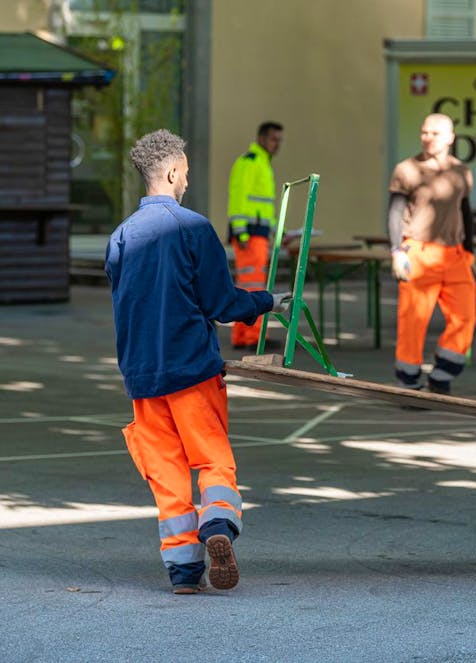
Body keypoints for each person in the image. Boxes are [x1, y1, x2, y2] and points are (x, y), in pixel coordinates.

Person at [105, 129, 289, 594]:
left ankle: (184, 573)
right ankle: (219, 528)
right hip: (191, 368)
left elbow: (125, 302)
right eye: (185, 170)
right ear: (171, 171)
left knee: (166, 476)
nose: (187, 178)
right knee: (212, 460)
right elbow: (222, 302)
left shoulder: (121, 236)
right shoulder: (192, 228)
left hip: (142, 374)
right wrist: (269, 302)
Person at [387, 113, 476, 395]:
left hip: (455, 254)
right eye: (424, 132)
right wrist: (396, 251)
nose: (428, 137)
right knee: (412, 323)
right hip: (418, 252)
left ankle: (441, 375)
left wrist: (470, 252)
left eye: (435, 133)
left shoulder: (461, 171)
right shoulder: (407, 169)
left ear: (450, 138)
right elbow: (395, 211)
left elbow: (466, 212)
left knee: (466, 316)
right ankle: (409, 383)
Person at [227, 121, 283, 349]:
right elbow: (239, 197)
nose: (277, 144)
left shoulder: (260, 163)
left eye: (279, 140)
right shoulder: (251, 162)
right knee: (255, 285)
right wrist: (240, 231)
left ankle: (241, 336)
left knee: (246, 285)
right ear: (261, 138)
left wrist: (278, 230)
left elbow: (262, 206)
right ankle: (254, 337)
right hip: (250, 235)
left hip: (255, 233)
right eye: (273, 139)